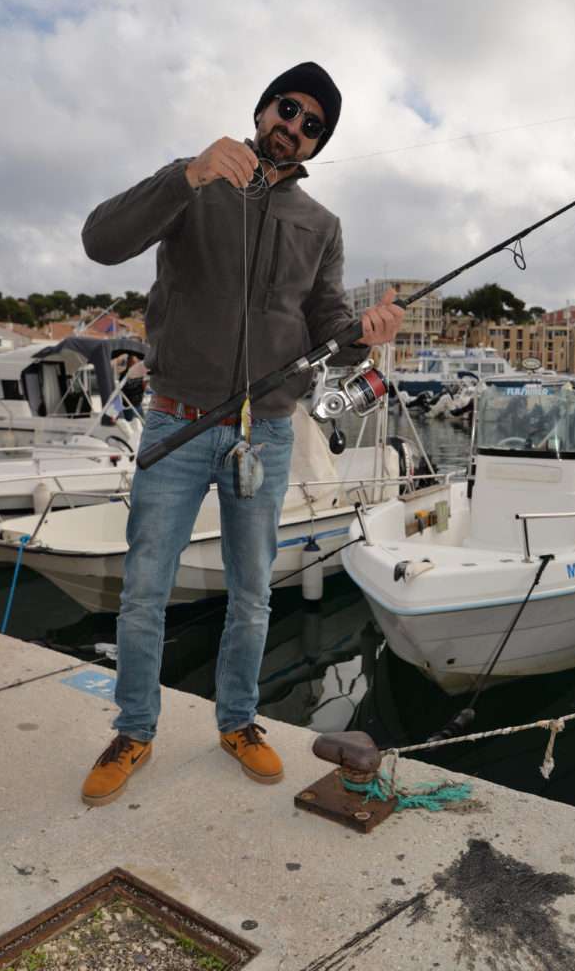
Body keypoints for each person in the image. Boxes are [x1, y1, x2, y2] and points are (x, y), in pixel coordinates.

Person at [79, 61, 403, 806]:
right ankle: (134, 730)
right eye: (287, 109)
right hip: (177, 417)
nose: (294, 127)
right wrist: (188, 175)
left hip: (269, 432)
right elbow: (101, 241)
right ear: (263, 110)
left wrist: (365, 336)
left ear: (317, 143)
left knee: (253, 594)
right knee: (144, 590)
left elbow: (327, 331)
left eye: (312, 124)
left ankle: (237, 722)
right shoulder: (196, 180)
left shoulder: (322, 225)